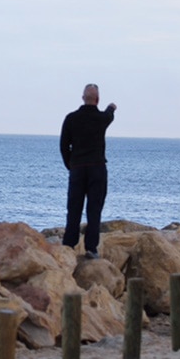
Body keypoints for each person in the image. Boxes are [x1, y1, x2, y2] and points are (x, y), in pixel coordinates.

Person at [60, 83, 117, 259]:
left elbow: (63, 146)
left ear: (83, 98)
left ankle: (69, 244)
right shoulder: (101, 119)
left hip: (77, 168)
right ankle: (91, 248)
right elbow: (109, 115)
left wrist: (71, 164)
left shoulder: (71, 118)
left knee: (74, 207)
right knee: (94, 209)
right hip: (97, 168)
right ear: (97, 99)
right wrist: (111, 107)